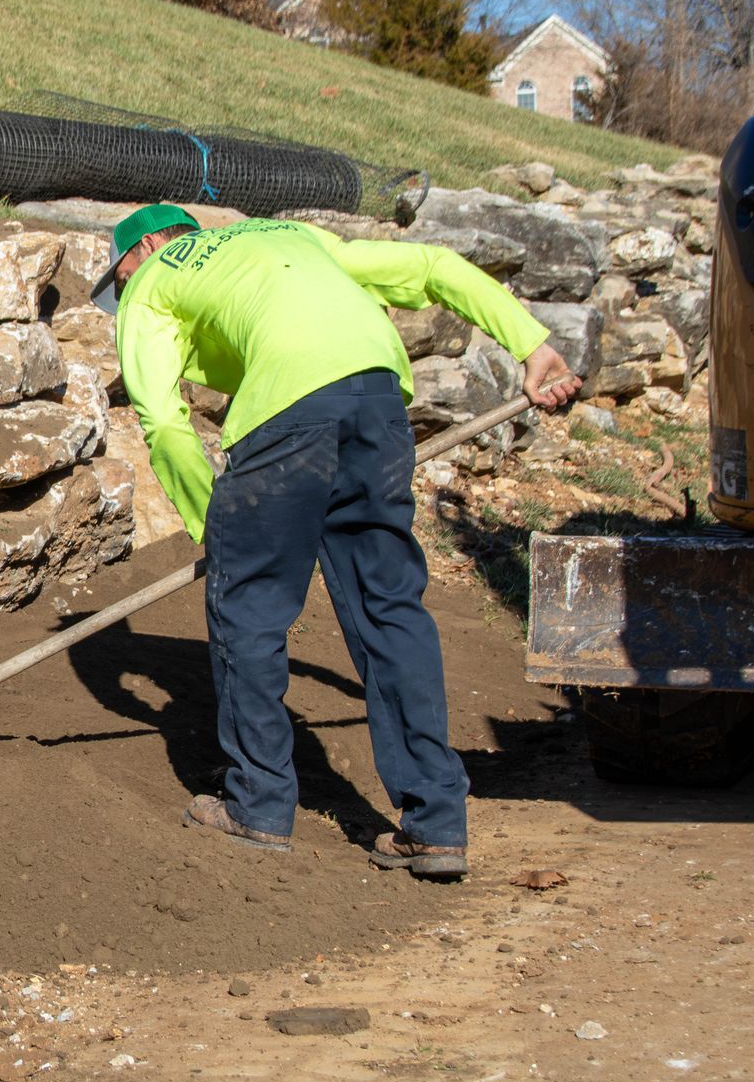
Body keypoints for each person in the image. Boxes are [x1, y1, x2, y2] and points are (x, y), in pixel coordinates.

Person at [92, 204, 581, 878]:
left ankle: (258, 807)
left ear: (144, 248)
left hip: (287, 415)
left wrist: (213, 527)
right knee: (389, 608)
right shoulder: (291, 236)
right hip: (376, 403)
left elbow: (164, 420)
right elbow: (434, 267)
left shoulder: (153, 281)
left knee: (249, 609)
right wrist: (532, 343)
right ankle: (435, 825)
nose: (122, 296)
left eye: (118, 279)